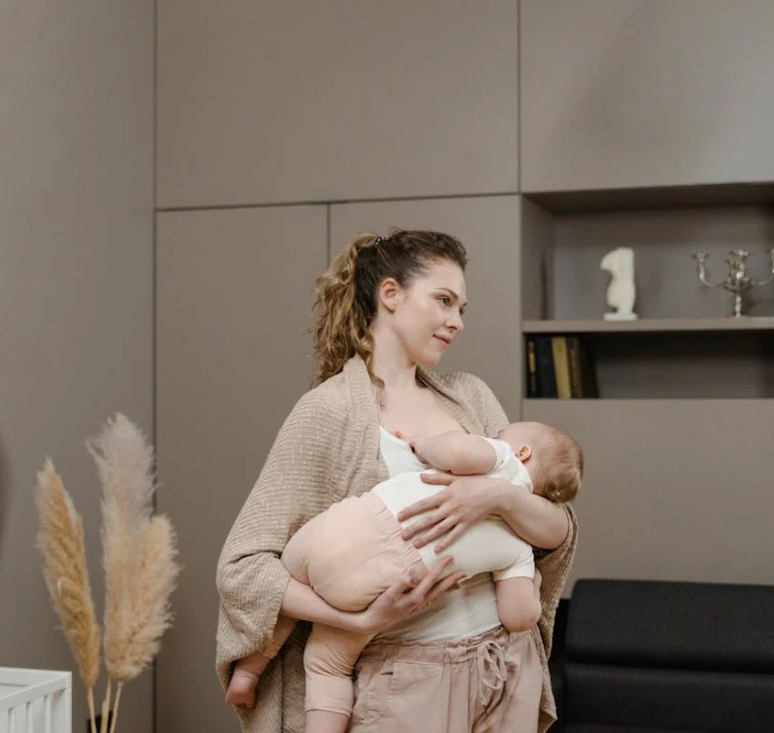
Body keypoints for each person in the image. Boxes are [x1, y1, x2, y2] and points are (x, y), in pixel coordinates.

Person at [215, 229, 578, 733]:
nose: (457, 322)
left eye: (463, 308)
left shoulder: (470, 396)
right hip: (402, 680)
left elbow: (556, 528)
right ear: (390, 294)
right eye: (444, 301)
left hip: (506, 664)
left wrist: (492, 495)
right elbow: (244, 569)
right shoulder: (329, 412)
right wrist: (352, 621)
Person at [224, 420, 583, 733]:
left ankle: (249, 671)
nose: (493, 434)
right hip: (386, 587)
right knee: (328, 666)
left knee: (289, 577)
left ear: (521, 452)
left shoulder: (501, 458)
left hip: (343, 531)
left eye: (502, 433)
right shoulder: (520, 546)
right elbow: (519, 616)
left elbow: (456, 450)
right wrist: (533, 585)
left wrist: (423, 443)